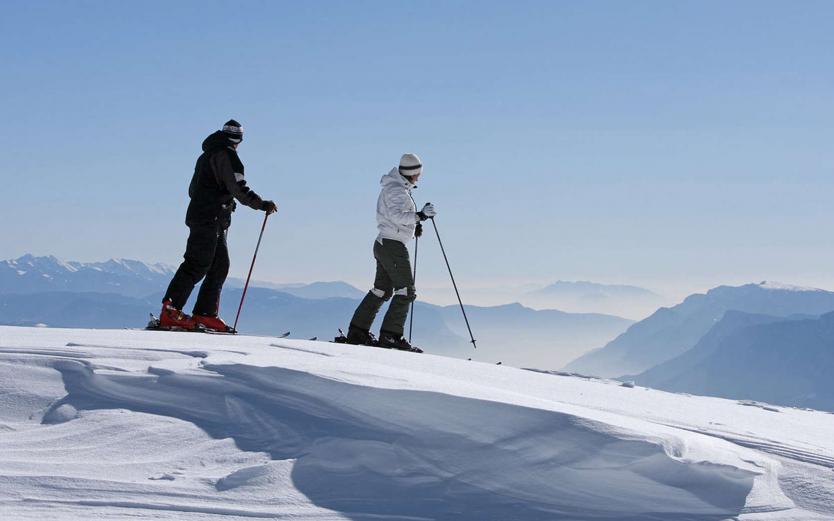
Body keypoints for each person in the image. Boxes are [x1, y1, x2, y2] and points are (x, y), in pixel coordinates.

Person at [160, 120, 278, 331]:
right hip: (210, 217)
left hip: (206, 216)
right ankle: (171, 311)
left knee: (218, 265)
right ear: (240, 139)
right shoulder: (228, 156)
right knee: (198, 263)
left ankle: (204, 313)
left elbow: (192, 190)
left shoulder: (206, 156)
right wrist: (261, 204)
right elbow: (238, 187)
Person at [345, 153, 436, 350]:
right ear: (412, 173)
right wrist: (419, 215)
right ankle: (390, 336)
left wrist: (414, 224)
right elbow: (396, 215)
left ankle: (357, 332)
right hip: (392, 245)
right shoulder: (397, 190)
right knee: (406, 290)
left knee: (382, 290)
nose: (419, 177)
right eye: (418, 173)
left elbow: (395, 217)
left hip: (384, 243)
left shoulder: (396, 188)